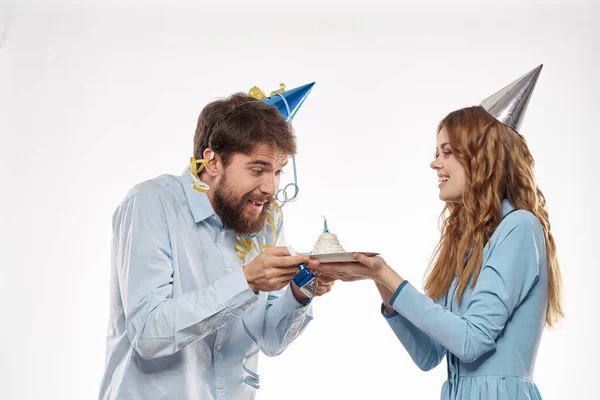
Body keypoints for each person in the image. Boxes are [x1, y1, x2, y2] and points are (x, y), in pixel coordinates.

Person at [316, 65, 563, 399]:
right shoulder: (468, 241)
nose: (435, 164)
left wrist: (388, 274)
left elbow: (471, 342)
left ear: (482, 159)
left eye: (447, 152)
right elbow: (429, 354)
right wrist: (378, 282)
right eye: (437, 153)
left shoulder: (519, 228)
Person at [98, 84, 333, 400]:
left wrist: (302, 290)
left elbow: (270, 340)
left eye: (278, 171)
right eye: (258, 169)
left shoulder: (264, 220)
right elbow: (148, 332)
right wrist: (247, 281)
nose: (271, 188)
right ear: (212, 162)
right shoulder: (151, 204)